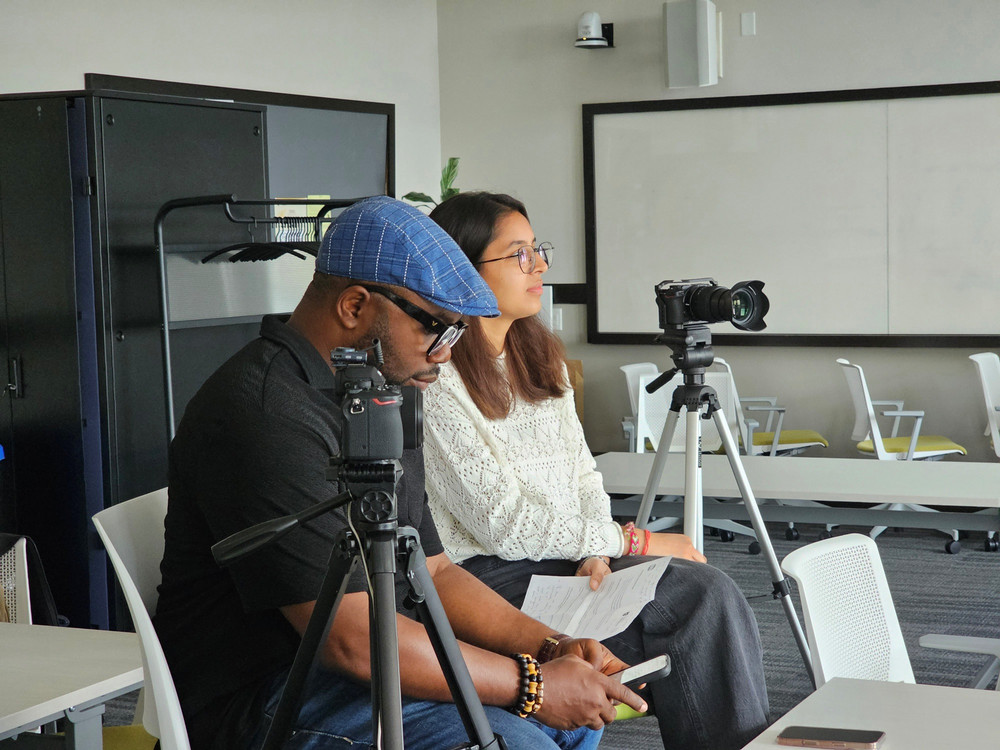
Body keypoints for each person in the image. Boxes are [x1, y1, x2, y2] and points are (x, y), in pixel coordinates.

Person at [153, 196, 649, 750]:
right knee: (521, 737)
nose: (445, 353)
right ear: (355, 306)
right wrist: (531, 685)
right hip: (263, 696)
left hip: (354, 662)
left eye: (457, 333)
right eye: (436, 328)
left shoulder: (378, 393)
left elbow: (433, 572)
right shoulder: (266, 412)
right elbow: (351, 640)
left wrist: (550, 646)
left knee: (569, 721)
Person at [422, 191, 771, 750]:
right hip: (485, 580)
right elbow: (501, 524)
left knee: (709, 595)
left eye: (539, 251)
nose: (539, 267)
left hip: (562, 562)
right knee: (695, 605)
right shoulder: (436, 381)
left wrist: (598, 548)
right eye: (518, 255)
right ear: (460, 270)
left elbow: (582, 474)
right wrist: (632, 538)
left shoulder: (540, 358)